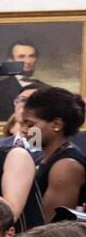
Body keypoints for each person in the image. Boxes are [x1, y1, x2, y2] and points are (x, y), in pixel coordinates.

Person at [23, 86, 86, 223]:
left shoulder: (66, 166)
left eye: (30, 125)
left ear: (56, 124)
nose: (24, 130)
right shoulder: (41, 157)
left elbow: (50, 226)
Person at [0, 40, 39, 122]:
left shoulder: (48, 89)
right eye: (22, 56)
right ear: (11, 60)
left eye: (31, 56)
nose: (28, 61)